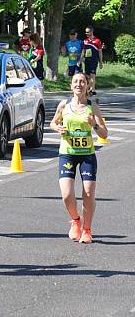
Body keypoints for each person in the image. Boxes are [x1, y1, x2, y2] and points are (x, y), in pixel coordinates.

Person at [49, 72, 108, 244]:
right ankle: (76, 219)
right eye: (75, 81)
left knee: (88, 192)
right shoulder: (64, 105)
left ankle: (87, 230)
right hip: (67, 153)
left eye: (82, 82)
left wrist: (94, 124)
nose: (79, 84)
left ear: (87, 85)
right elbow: (53, 122)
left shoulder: (92, 106)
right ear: (71, 85)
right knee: (67, 194)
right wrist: (57, 128)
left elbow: (104, 133)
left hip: (87, 155)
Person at [80, 26, 103, 95]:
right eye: (86, 32)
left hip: (94, 60)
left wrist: (101, 62)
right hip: (87, 60)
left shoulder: (97, 41)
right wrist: (80, 60)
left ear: (91, 32)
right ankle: (90, 89)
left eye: (87, 32)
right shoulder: (85, 41)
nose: (86, 33)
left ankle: (90, 90)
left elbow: (100, 52)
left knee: (92, 75)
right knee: (87, 76)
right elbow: (83, 52)